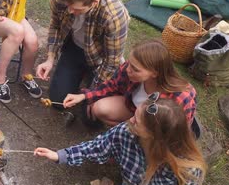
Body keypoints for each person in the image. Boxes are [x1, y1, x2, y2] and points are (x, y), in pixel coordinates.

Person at [35, 96, 206, 185]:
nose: (130, 120)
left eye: (137, 121)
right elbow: (97, 147)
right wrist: (60, 155)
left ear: (155, 136)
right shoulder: (126, 132)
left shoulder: (187, 165)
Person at [35, 0, 129, 107]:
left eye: (77, 9)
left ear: (94, 2)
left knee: (91, 115)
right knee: (59, 101)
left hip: (100, 57)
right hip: (74, 48)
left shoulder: (114, 16)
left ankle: (89, 76)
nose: (70, 11)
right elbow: (55, 26)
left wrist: (89, 94)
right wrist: (50, 59)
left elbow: (111, 61)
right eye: (69, 6)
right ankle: (78, 72)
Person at [63, 40, 198, 132]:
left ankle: (133, 136)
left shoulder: (180, 97)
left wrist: (144, 132)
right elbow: (112, 85)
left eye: (135, 69)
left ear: (155, 73)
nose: (128, 70)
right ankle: (128, 132)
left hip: (155, 129)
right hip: (134, 111)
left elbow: (177, 133)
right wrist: (83, 96)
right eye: (130, 64)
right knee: (99, 109)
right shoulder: (130, 68)